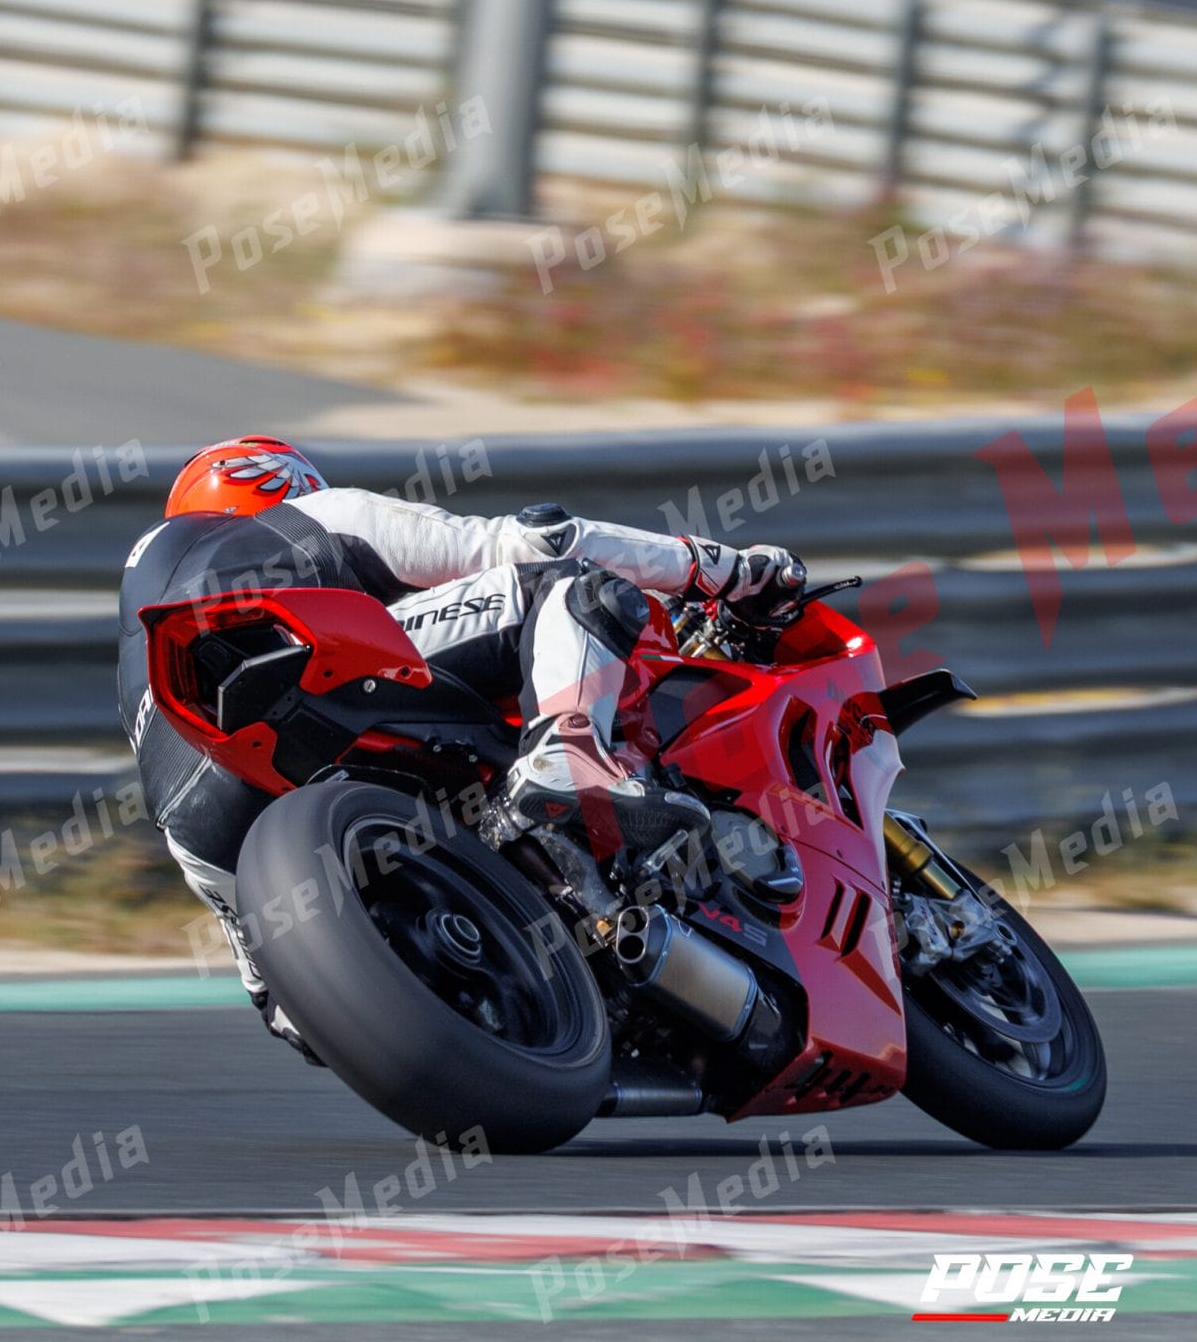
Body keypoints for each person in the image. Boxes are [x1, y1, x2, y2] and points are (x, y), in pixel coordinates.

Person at [115, 435, 797, 1058]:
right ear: (276, 484)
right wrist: (724, 572)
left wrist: (309, 1000)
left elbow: (280, 1002)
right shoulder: (312, 518)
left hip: (198, 816)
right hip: (312, 673)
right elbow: (537, 541)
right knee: (573, 585)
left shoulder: (144, 677)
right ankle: (566, 751)